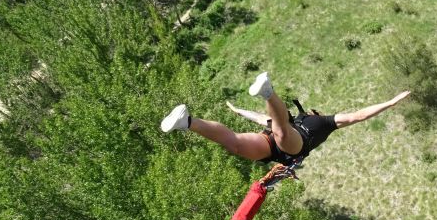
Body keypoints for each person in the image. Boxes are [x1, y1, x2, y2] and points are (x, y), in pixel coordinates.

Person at [160, 71, 410, 165]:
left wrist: (390, 102)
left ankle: (268, 92)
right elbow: (260, 119)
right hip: (279, 141)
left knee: (280, 130)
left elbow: (359, 115)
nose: (313, 112)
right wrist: (238, 111)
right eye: (312, 111)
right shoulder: (297, 118)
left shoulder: (324, 123)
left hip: (294, 146)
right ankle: (187, 122)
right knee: (235, 143)